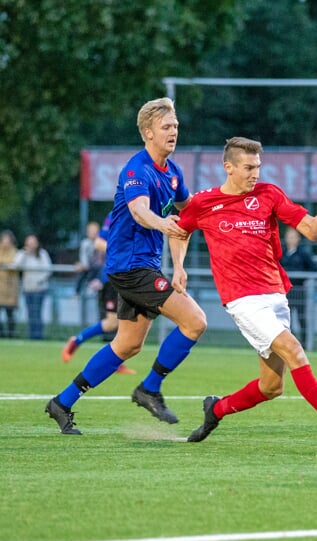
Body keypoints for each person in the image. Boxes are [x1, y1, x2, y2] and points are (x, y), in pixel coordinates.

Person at [171, 136, 317, 454]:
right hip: (242, 300)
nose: (255, 174)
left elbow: (313, 232)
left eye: (258, 167)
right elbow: (180, 231)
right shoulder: (204, 202)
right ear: (229, 167)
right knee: (295, 351)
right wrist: (179, 267)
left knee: (271, 386)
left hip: (276, 295)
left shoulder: (269, 194)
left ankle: (216, 410)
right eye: (248, 167)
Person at [45, 96, 207, 434]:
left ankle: (62, 402)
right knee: (195, 321)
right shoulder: (137, 168)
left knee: (128, 344)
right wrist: (164, 225)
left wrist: (179, 265)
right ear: (148, 132)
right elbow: (140, 211)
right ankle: (149, 389)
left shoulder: (174, 173)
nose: (173, 132)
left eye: (175, 126)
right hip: (131, 267)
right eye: (166, 127)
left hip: (143, 266)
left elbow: (187, 219)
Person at [60, 214, 136, 375]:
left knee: (124, 325)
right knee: (112, 323)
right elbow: (99, 243)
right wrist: (124, 252)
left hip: (132, 278)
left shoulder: (146, 211)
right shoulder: (117, 213)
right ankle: (77, 340)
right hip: (114, 278)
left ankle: (115, 362)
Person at [280, 227, 317, 338]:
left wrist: (301, 276)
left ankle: (305, 342)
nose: (291, 239)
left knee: (301, 317)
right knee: (287, 318)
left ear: (298, 239)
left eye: (294, 237)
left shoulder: (303, 253)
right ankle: (290, 341)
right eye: (289, 237)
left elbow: (314, 268)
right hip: (286, 291)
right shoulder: (282, 252)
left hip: (299, 289)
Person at [14, 234, 52, 340]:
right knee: (30, 313)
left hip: (39, 289)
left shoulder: (43, 254)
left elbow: (47, 270)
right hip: (28, 288)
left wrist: (39, 282)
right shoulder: (23, 254)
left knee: (37, 313)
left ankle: (38, 336)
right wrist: (24, 253)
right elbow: (16, 265)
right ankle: (32, 335)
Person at [74, 220, 102, 297]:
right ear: (87, 233)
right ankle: (77, 292)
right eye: (91, 231)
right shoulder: (85, 243)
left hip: (97, 266)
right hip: (88, 265)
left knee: (99, 269)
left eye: (95, 231)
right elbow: (83, 255)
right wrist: (84, 264)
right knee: (81, 274)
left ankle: (94, 284)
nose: (93, 233)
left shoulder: (101, 242)